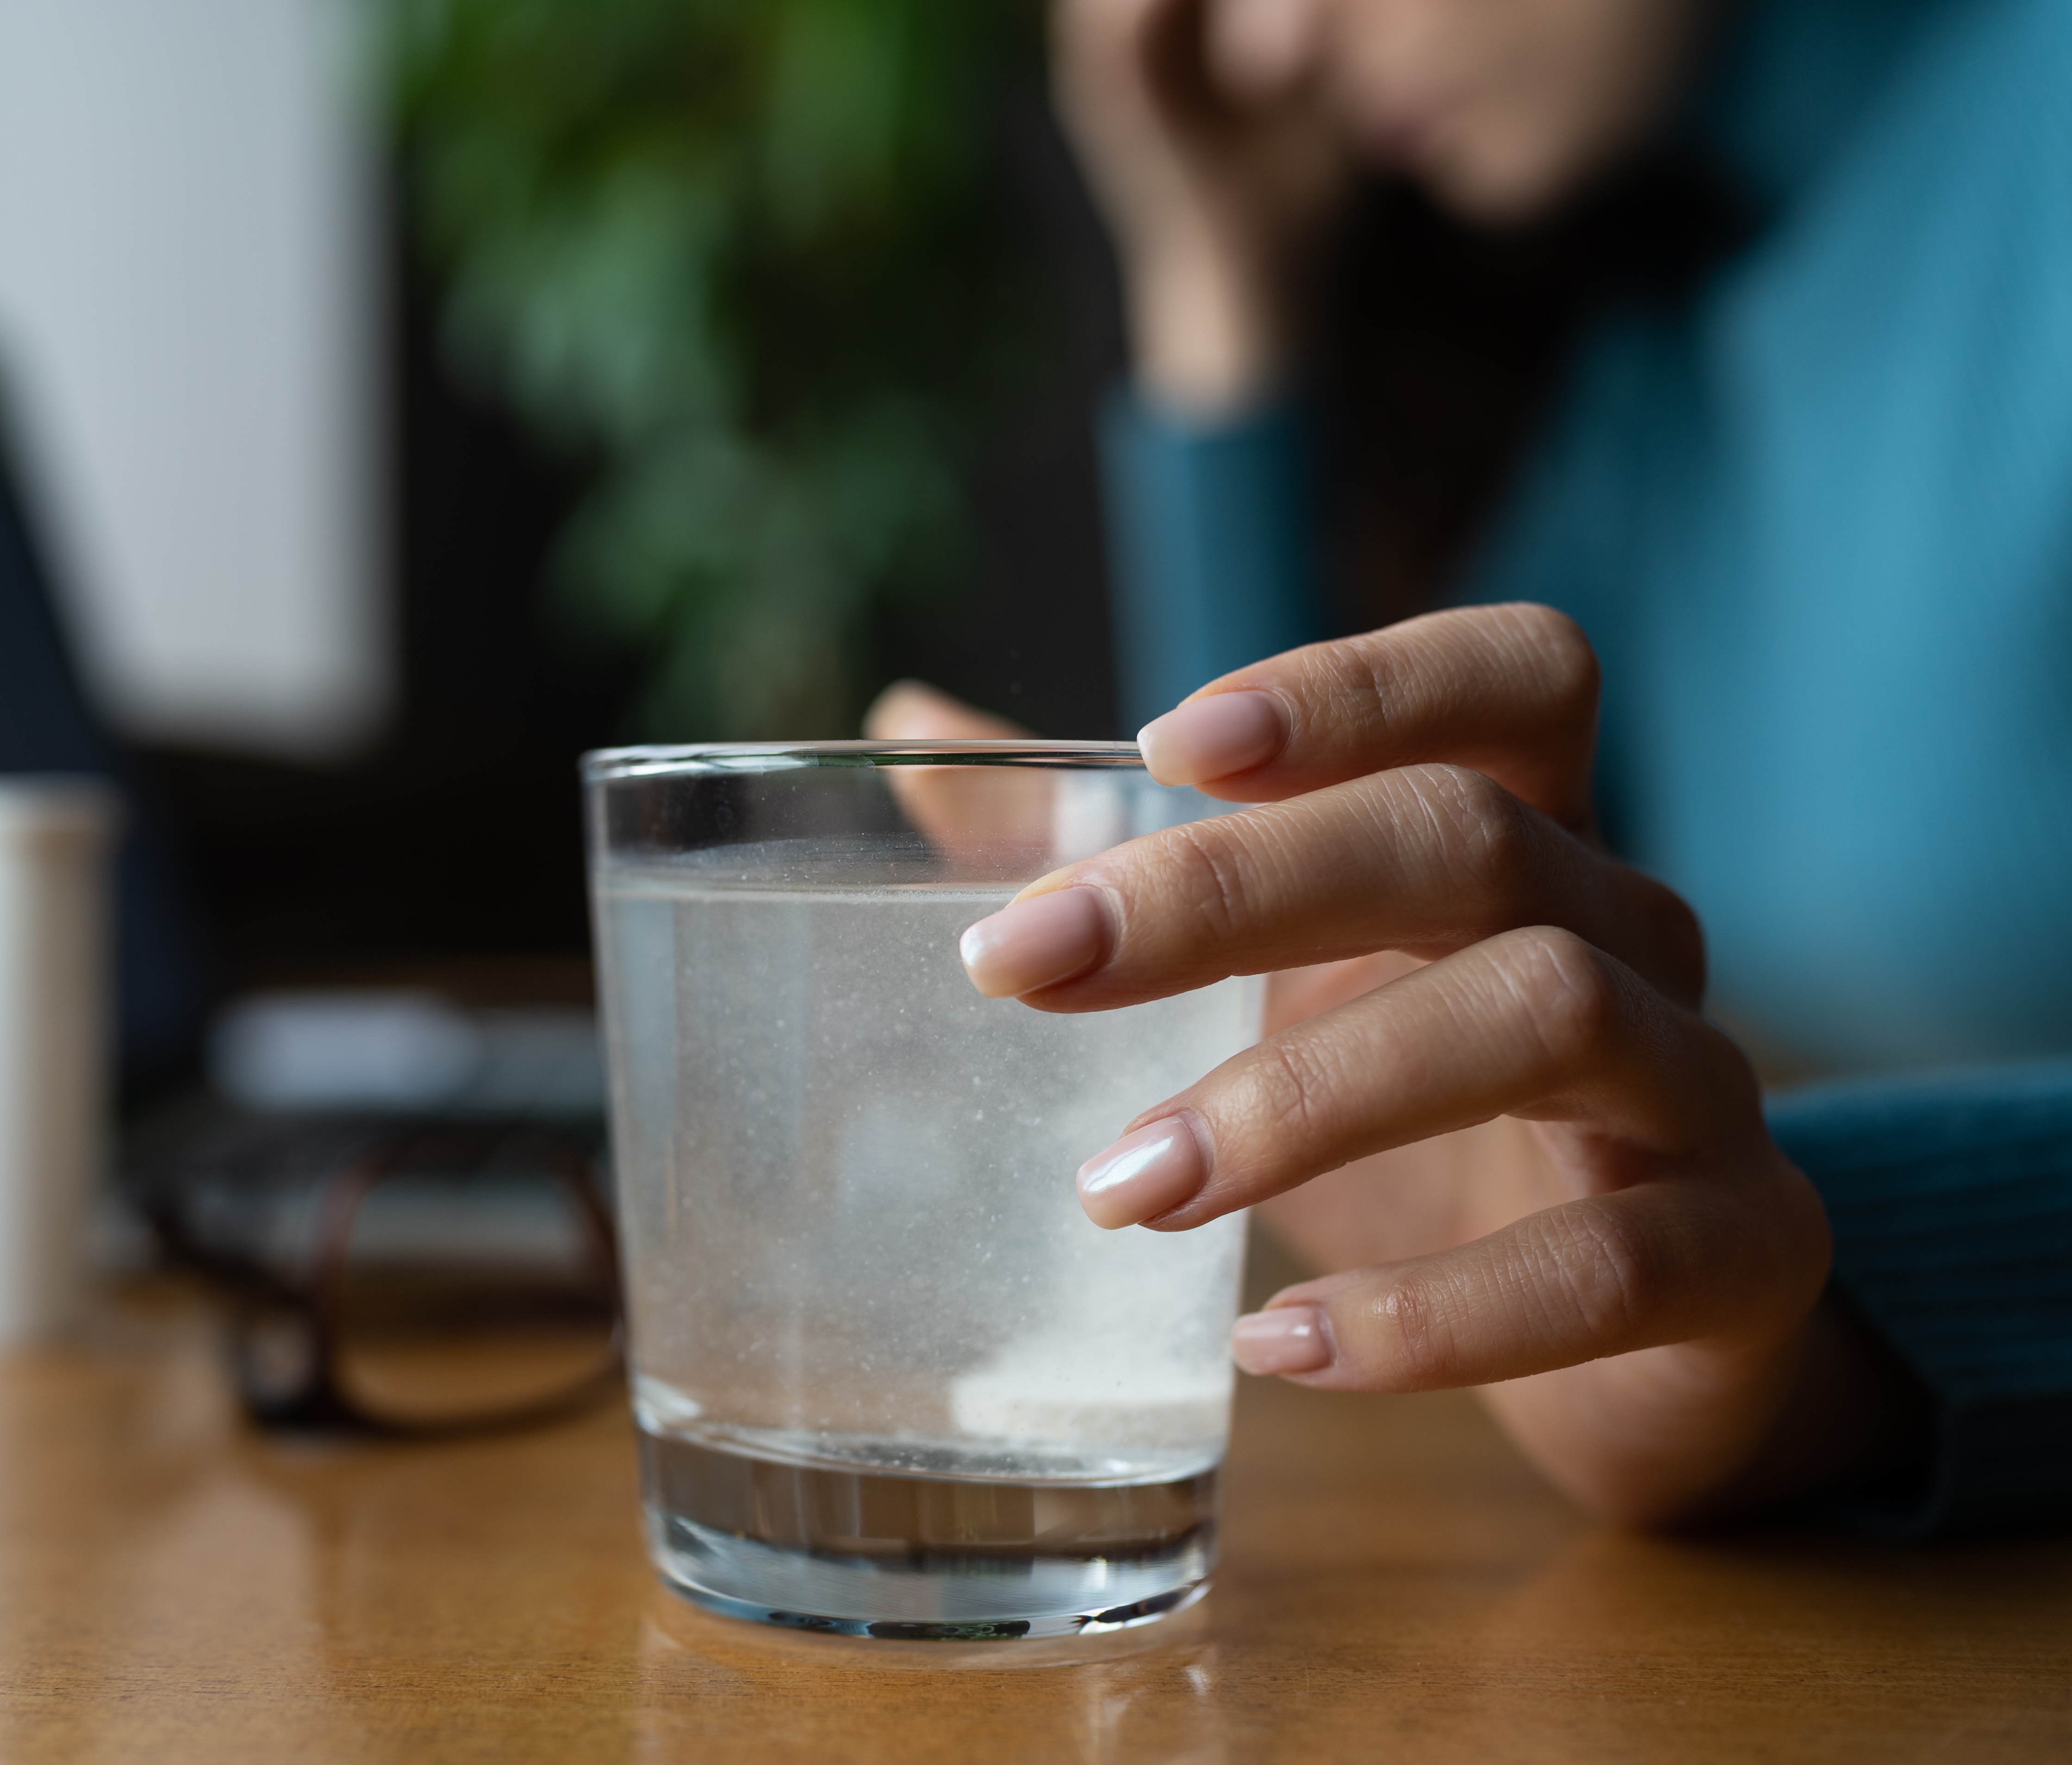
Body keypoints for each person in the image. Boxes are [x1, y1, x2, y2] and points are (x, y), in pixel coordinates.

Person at [877, 0, 2072, 1534]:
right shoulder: (1670, 362)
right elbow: (1299, 967)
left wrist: (1841, 1272)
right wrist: (1218, 269)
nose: (1261, 53)